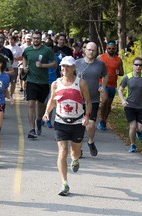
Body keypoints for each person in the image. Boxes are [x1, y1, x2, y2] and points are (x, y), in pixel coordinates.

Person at [43, 56, 91, 196]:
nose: (65, 69)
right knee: (62, 151)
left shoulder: (81, 83)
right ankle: (64, 183)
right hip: (61, 121)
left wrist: (87, 117)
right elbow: (52, 100)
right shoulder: (56, 84)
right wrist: (47, 113)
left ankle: (75, 159)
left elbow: (88, 102)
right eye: (63, 66)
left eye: (68, 66)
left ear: (74, 68)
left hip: (77, 122)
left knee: (75, 151)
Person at [22, 31, 57, 139]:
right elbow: (24, 57)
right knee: (31, 104)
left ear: (41, 39)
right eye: (34, 38)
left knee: (41, 106)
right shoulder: (28, 50)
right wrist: (24, 67)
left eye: (38, 38)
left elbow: (54, 63)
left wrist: (43, 65)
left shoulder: (47, 50)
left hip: (43, 82)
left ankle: (38, 120)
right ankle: (32, 129)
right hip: (31, 81)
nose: (36, 40)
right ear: (31, 39)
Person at [75, 42, 108, 157]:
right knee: (79, 125)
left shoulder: (100, 64)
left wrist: (103, 86)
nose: (91, 52)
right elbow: (70, 76)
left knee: (90, 124)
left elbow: (105, 75)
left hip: (93, 99)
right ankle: (79, 149)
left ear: (96, 51)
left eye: (93, 50)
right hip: (78, 100)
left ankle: (90, 141)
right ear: (85, 50)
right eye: (89, 49)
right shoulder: (77, 63)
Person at [118, 57, 142, 153]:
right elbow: (120, 89)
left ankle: (139, 132)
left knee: (140, 128)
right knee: (133, 126)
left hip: (141, 106)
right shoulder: (127, 77)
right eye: (136, 64)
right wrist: (123, 101)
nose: (138, 66)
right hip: (129, 105)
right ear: (133, 65)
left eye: (140, 65)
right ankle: (132, 145)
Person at [97, 40, 124, 131]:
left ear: (115, 48)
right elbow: (95, 68)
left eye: (113, 48)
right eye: (109, 48)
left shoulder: (118, 60)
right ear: (106, 48)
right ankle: (101, 120)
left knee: (108, 105)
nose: (111, 50)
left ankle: (104, 120)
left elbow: (121, 72)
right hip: (102, 83)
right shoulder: (101, 57)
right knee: (104, 101)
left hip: (113, 84)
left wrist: (119, 71)